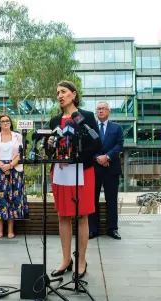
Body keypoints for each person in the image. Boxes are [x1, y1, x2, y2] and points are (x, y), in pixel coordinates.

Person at [47, 81, 100, 279]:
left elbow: (96, 144)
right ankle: (65, 260)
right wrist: (50, 146)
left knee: (82, 215)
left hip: (82, 171)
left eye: (63, 92)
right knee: (63, 215)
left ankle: (82, 260)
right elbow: (48, 147)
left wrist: (75, 159)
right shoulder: (54, 120)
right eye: (57, 92)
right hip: (60, 173)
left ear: (73, 94)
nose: (60, 95)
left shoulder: (85, 117)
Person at [0, 114, 28, 238]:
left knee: (12, 199)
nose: (5, 123)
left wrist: (9, 166)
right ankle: (0, 229)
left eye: (7, 121)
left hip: (14, 170)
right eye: (3, 121)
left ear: (10, 123)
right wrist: (2, 166)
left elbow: (21, 154)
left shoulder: (18, 136)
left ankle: (10, 230)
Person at [89, 101, 124, 240]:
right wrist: (98, 158)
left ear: (109, 111)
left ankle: (112, 229)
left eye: (103, 109)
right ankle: (93, 229)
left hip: (111, 168)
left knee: (112, 199)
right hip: (94, 168)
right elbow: (88, 146)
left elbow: (119, 144)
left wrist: (107, 157)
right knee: (93, 199)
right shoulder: (90, 129)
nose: (101, 111)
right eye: (98, 109)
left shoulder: (117, 127)